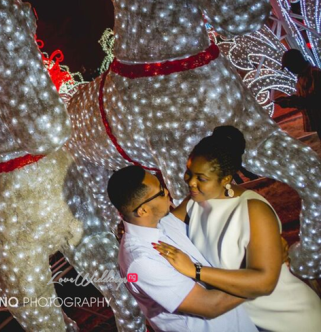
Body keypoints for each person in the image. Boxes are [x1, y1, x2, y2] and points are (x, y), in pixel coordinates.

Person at [156, 125, 321, 332]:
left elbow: (264, 283)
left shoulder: (254, 210)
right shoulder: (193, 203)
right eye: (189, 173)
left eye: (201, 178)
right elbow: (159, 229)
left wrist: (195, 271)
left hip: (290, 320)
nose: (191, 182)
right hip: (246, 322)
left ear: (225, 179)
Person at [108, 165, 257, 332]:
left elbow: (199, 195)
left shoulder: (162, 224)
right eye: (161, 190)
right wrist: (260, 276)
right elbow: (211, 306)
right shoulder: (141, 261)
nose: (167, 193)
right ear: (143, 210)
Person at [275, 49, 321, 139]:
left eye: (289, 67)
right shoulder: (302, 76)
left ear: (295, 62)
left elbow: (313, 101)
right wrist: (288, 100)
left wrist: (290, 102)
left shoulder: (314, 74)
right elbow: (304, 98)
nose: (289, 70)